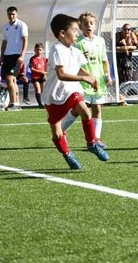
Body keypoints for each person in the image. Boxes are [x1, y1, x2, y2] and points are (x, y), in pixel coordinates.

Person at [42, 13, 109, 170]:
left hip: (71, 91)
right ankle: (67, 154)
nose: (77, 33)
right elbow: (61, 74)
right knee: (57, 134)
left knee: (85, 112)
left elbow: (78, 68)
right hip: (54, 96)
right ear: (62, 33)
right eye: (74, 30)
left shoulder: (75, 50)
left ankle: (92, 143)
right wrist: (85, 78)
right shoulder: (57, 49)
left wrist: (91, 77)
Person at [74, 12, 112, 142]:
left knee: (97, 109)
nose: (89, 26)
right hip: (84, 82)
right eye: (85, 24)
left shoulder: (100, 41)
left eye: (91, 23)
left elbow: (104, 60)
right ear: (81, 27)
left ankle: (96, 139)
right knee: (78, 109)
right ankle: (61, 130)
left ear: (95, 25)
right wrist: (87, 76)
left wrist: (107, 74)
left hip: (98, 81)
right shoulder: (77, 42)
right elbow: (76, 64)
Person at [0, 6, 28, 111]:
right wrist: (2, 56)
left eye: (13, 14)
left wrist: (22, 55)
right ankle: (17, 103)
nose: (11, 16)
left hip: (17, 55)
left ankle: (13, 103)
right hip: (7, 55)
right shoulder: (6, 26)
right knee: (13, 80)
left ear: (16, 14)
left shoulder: (22, 25)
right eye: (9, 14)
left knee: (9, 78)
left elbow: (25, 40)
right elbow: (4, 42)